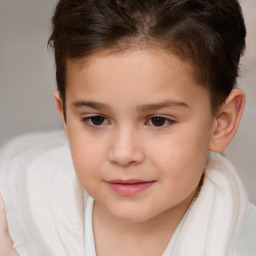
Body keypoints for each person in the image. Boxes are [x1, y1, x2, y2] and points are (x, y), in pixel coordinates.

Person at [0, 0, 255, 255]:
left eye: (158, 121)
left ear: (221, 123)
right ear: (65, 115)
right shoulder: (15, 215)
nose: (123, 154)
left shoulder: (241, 243)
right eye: (96, 119)